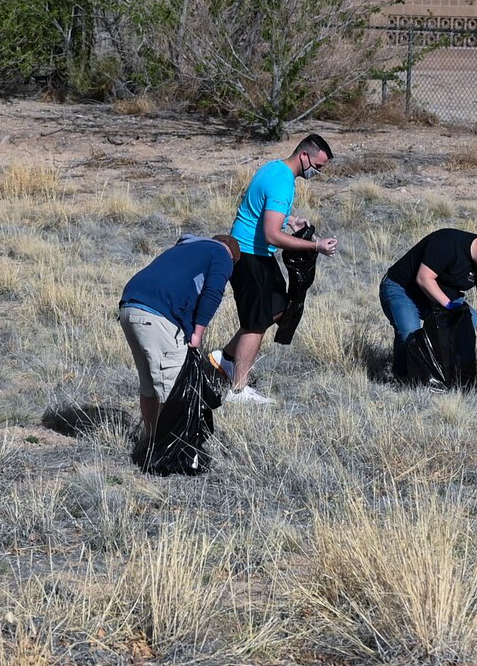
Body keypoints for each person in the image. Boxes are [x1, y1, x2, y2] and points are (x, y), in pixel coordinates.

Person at [217, 134, 338, 404]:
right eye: (317, 167)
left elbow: (262, 209)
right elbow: (271, 235)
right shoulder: (283, 183)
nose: (317, 172)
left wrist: (291, 220)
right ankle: (238, 390)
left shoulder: (273, 168)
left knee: (277, 308)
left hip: (256, 252)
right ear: (304, 155)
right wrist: (315, 245)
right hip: (250, 255)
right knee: (255, 324)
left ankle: (225, 358)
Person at [117, 234, 240, 442]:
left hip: (129, 308)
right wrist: (198, 333)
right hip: (157, 314)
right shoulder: (221, 254)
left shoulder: (184, 249)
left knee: (149, 384)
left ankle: (152, 441)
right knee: (174, 388)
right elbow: (213, 292)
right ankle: (171, 447)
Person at [381, 229, 477, 386]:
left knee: (469, 320)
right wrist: (448, 306)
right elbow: (424, 278)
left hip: (436, 298)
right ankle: (402, 378)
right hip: (403, 290)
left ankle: (446, 374)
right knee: (409, 333)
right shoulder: (448, 243)